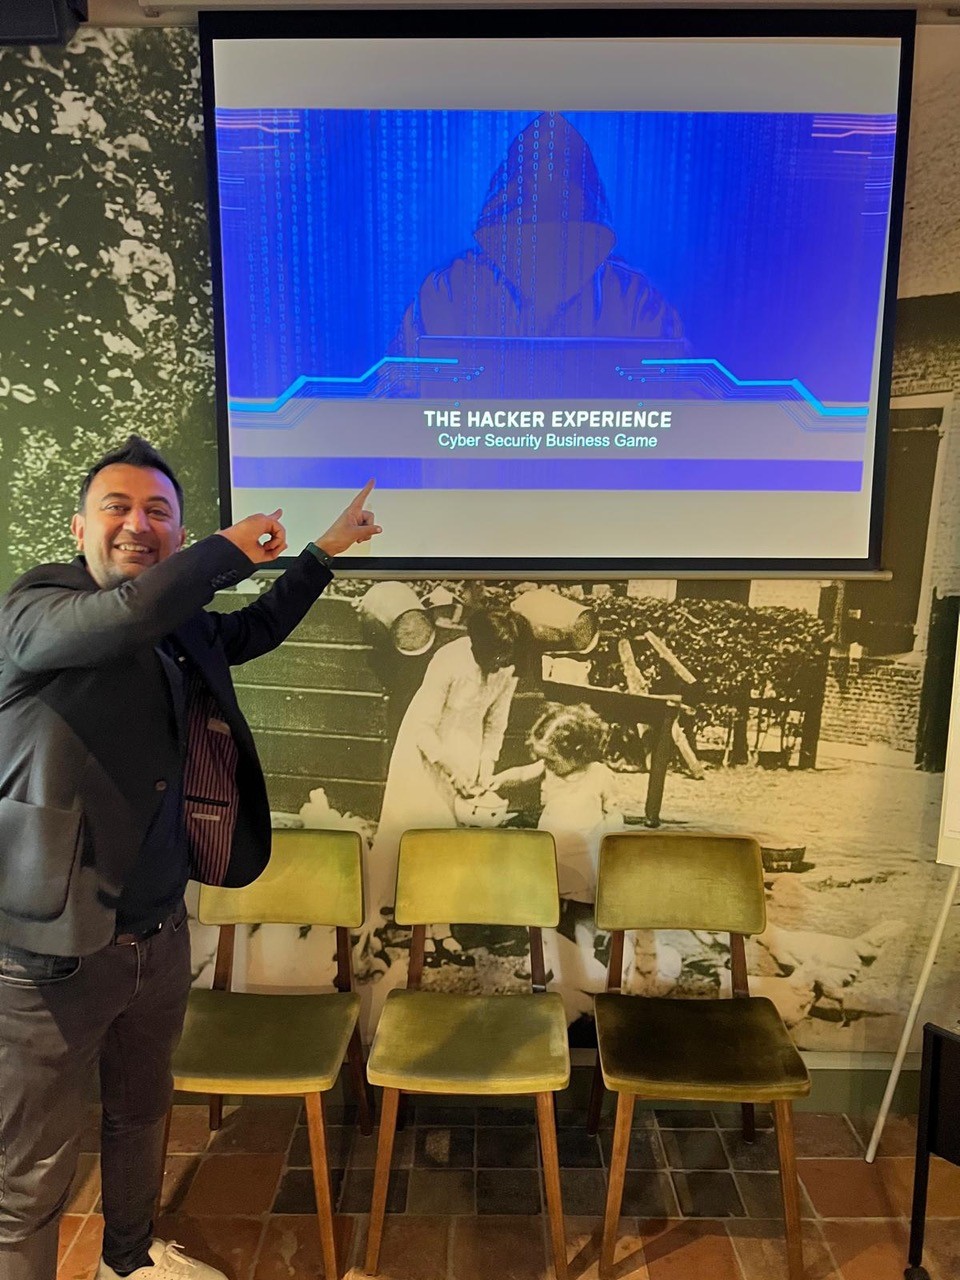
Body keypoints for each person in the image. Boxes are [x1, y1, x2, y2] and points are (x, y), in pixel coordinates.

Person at [0, 436, 380, 1280]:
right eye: (118, 508)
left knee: (140, 1118)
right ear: (80, 528)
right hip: (50, 955)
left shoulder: (174, 625)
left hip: (159, 935)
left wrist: (321, 554)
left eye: (158, 513)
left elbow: (249, 630)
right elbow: (119, 619)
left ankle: (127, 1263)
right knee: (28, 1180)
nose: (138, 524)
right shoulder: (37, 610)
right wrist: (224, 552)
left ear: (175, 533)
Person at [386, 111, 686, 396]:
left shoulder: (635, 298)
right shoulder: (447, 290)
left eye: (562, 237)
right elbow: (396, 396)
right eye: (532, 235)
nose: (546, 256)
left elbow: (684, 399)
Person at [355, 607, 531, 990]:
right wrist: (449, 768)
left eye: (506, 656)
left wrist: (485, 766)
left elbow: (495, 724)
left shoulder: (506, 669)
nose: (500, 664)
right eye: (494, 655)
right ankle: (370, 920)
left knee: (448, 845)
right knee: (403, 835)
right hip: (424, 753)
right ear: (477, 644)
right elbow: (423, 725)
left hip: (467, 752)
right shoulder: (449, 660)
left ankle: (440, 927)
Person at [491, 702, 623, 1022]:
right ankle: (544, 955)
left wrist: (612, 845)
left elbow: (614, 811)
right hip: (550, 855)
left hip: (584, 860)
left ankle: (583, 962)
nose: (545, 763)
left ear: (578, 751)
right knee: (543, 912)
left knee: (580, 916)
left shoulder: (599, 775)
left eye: (551, 757)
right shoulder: (549, 767)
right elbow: (522, 773)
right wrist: (498, 780)